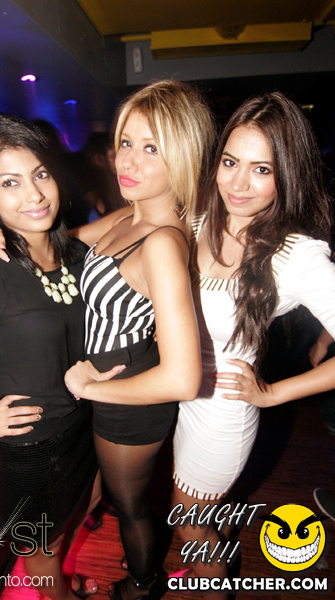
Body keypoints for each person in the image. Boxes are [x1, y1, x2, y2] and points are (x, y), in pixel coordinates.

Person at [0, 80, 215, 600]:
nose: (130, 161)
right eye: (126, 142)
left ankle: (142, 585)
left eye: (152, 148)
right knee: (108, 498)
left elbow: (184, 378)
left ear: (183, 157)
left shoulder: (163, 242)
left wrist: (92, 388)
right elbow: (57, 245)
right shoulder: (131, 216)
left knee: (131, 506)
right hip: (103, 389)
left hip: (128, 397)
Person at [170, 91, 335, 598]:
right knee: (197, 521)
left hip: (221, 413)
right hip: (175, 395)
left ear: (288, 174)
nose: (237, 184)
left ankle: (212, 583)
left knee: (187, 525)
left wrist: (274, 393)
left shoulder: (297, 256)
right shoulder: (195, 218)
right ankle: (213, 561)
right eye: (230, 162)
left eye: (261, 170)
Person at [0, 114, 101, 600]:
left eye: (40, 174)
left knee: (82, 511)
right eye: (10, 182)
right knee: (44, 554)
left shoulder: (72, 253)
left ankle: (65, 583)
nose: (34, 194)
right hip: (31, 453)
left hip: (83, 428)